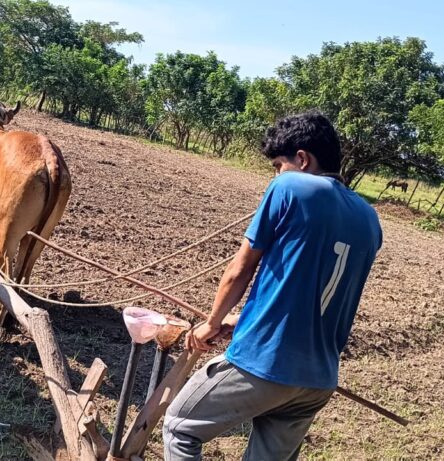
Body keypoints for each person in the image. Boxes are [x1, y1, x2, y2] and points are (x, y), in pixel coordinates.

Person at [162, 112, 383, 460]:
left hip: (266, 363)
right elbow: (317, 289)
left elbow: (240, 269)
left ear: (302, 159)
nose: (276, 175)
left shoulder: (290, 187)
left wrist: (212, 322)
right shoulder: (370, 219)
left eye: (278, 165)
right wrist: (243, 320)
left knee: (180, 427)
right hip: (317, 381)